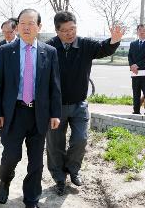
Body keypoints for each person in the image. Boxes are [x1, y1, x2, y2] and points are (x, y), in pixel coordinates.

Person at [46, 11, 122, 196]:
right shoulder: (48, 48)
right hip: (55, 107)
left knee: (80, 139)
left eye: (73, 29)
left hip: (79, 104)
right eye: (65, 31)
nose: (70, 34)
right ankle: (59, 178)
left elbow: (103, 48)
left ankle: (73, 170)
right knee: (55, 145)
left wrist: (114, 40)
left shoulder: (86, 45)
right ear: (57, 31)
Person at [0, 8, 61, 208]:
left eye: (31, 23)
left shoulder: (49, 52)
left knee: (36, 163)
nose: (26, 27)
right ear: (17, 26)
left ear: (39, 27)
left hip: (39, 114)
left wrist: (55, 113)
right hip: (14, 113)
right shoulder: (6, 51)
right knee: (11, 156)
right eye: (22, 23)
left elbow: (54, 86)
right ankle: (5, 180)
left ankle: (31, 199)